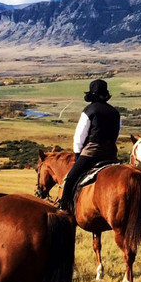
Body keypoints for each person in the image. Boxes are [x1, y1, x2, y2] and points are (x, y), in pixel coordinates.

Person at [58, 79, 121, 213]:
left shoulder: (89, 110)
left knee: (70, 179)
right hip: (111, 154)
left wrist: (77, 154)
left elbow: (79, 136)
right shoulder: (115, 112)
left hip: (92, 153)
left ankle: (63, 207)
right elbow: (117, 133)